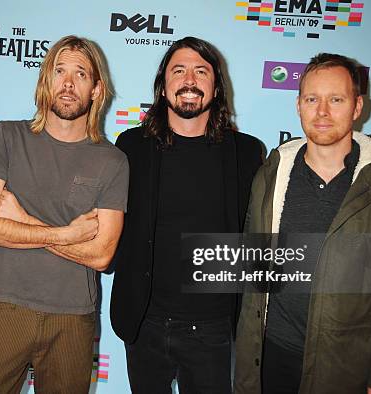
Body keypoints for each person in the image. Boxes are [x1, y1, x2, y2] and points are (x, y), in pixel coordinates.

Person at [234, 53, 371, 394]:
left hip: (346, 370)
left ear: (357, 106)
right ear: (298, 105)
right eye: (312, 99)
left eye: (335, 99)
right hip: (269, 360)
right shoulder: (270, 175)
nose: (322, 112)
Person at [0, 35, 128, 394]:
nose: (67, 84)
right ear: (45, 81)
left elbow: (101, 254)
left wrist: (22, 220)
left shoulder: (112, 161)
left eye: (80, 74)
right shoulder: (6, 137)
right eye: (59, 71)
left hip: (73, 318)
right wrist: (66, 234)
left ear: (97, 90)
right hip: (8, 308)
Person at [110, 36, 263, 393]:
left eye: (201, 71)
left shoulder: (246, 152)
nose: (189, 80)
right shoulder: (131, 146)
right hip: (144, 322)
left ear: (216, 87)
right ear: (163, 87)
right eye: (178, 70)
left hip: (213, 328)